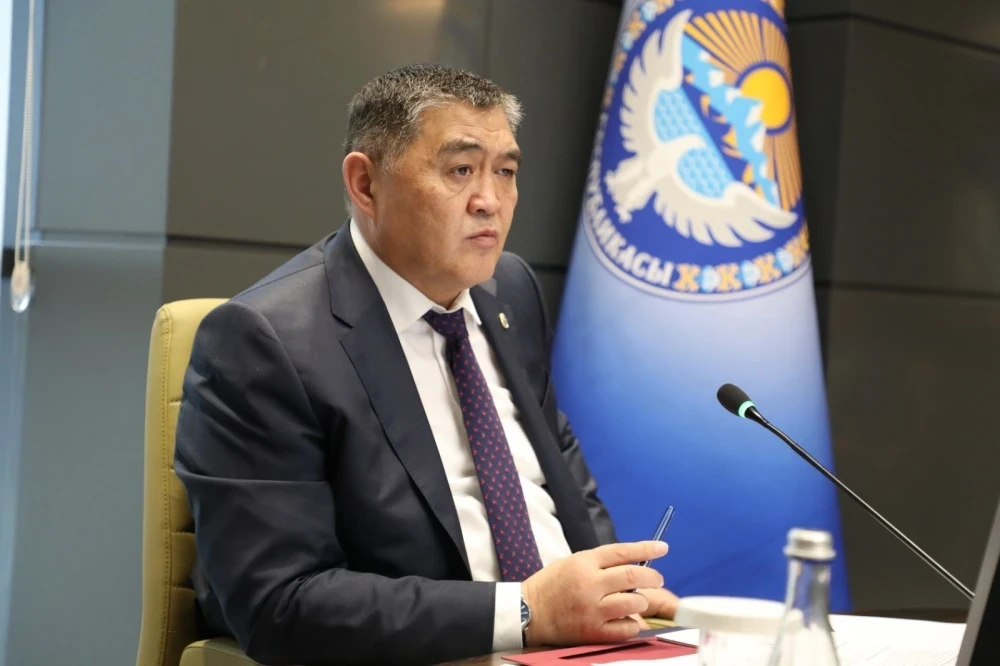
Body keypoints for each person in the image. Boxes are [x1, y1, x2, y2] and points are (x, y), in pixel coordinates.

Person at [174, 64, 679, 666]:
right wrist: (525, 611)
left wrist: (614, 588)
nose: (490, 202)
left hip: (577, 646)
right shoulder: (264, 341)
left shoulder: (510, 290)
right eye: (461, 170)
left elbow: (559, 473)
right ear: (366, 185)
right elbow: (278, 603)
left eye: (506, 172)